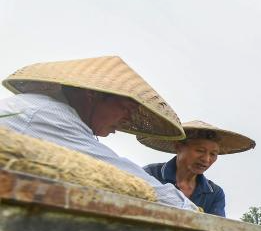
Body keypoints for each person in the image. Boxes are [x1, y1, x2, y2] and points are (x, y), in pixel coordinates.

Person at [0, 55, 196, 210]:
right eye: (126, 109)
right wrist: (189, 210)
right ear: (91, 95)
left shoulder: (48, 110)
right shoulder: (49, 115)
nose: (126, 120)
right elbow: (124, 178)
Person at [141, 121, 256, 217]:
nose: (206, 159)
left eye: (213, 154)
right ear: (178, 147)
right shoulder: (149, 175)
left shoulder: (214, 193)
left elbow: (216, 229)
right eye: (200, 151)